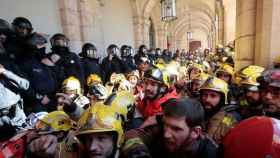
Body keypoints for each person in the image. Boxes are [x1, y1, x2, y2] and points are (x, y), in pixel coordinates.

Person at [121, 98, 218, 158]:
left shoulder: (209, 152)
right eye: (165, 125)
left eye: (176, 129)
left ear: (195, 132)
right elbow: (131, 134)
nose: (166, 134)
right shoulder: (161, 128)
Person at [199, 77, 241, 144]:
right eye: (205, 95)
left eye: (213, 96)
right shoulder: (199, 112)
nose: (207, 99)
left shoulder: (232, 119)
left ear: (223, 99)